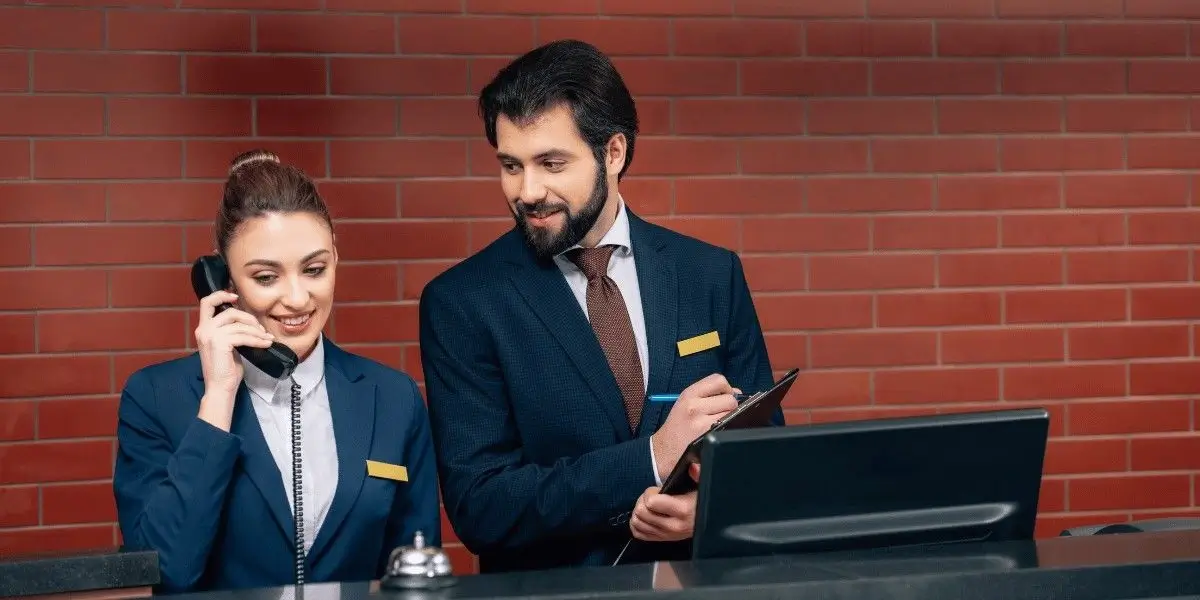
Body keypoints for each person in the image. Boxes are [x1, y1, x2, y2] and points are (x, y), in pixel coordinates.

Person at [418, 39, 784, 573]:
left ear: (613, 153)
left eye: (551, 163)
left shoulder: (710, 274)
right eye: (511, 165)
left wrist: (708, 509)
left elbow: (764, 452)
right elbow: (482, 506)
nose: (527, 191)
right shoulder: (462, 302)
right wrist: (652, 459)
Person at [112, 150, 441, 593]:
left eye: (314, 269)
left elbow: (416, 574)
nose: (298, 298)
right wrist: (218, 398)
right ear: (224, 281)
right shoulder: (155, 397)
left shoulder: (394, 397)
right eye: (266, 277)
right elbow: (165, 572)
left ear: (335, 258)